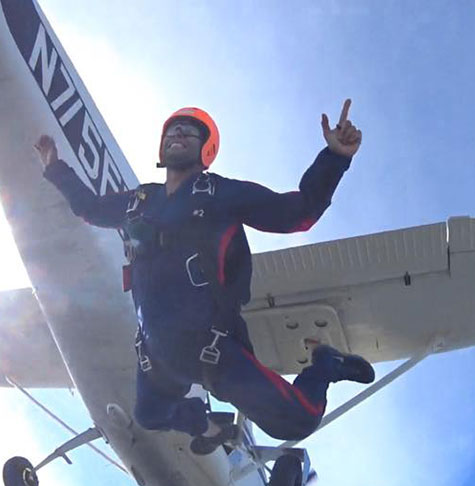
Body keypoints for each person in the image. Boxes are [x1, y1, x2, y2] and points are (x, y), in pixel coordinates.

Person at [35, 100, 373, 455]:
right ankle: (209, 426)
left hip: (211, 348)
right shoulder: (140, 200)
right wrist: (55, 168)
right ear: (161, 150)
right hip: (157, 353)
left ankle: (326, 363)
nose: (178, 134)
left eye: (189, 132)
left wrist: (335, 158)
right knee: (149, 414)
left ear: (205, 149)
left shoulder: (222, 193)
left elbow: (298, 213)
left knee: (298, 420)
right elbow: (89, 208)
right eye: (172, 131)